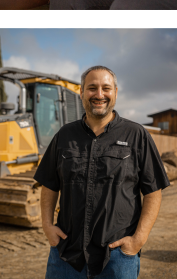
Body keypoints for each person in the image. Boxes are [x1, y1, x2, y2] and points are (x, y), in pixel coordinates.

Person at [35, 66, 170, 279]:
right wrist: (47, 226)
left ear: (115, 92)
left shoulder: (137, 135)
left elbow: (153, 191)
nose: (99, 94)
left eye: (106, 88)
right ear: (81, 92)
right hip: (67, 256)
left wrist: (138, 240)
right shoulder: (64, 135)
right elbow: (49, 184)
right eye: (92, 88)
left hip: (117, 258)